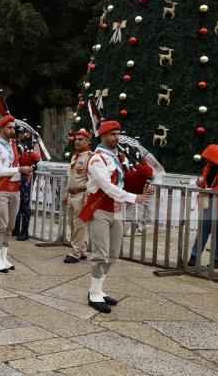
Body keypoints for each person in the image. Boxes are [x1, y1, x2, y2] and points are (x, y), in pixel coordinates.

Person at [83, 120, 152, 313]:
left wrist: (143, 185)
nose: (116, 138)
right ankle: (94, 294)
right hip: (100, 209)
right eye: (112, 134)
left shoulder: (117, 158)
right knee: (100, 253)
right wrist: (134, 197)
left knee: (113, 254)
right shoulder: (97, 159)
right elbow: (107, 187)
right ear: (103, 136)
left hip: (117, 209)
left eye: (117, 134)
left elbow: (124, 181)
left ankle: (99, 289)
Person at [0, 115, 33, 272]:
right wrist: (19, 169)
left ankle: (4, 257)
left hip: (15, 189)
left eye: (13, 127)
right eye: (9, 127)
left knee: (11, 226)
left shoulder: (15, 145)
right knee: (2, 225)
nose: (12, 130)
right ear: (1, 128)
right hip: (1, 189)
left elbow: (20, 163)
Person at [63, 129, 92, 263]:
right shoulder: (75, 157)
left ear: (88, 141)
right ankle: (82, 250)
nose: (77, 141)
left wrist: (87, 198)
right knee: (73, 224)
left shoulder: (91, 158)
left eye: (81, 139)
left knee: (79, 225)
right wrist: (65, 194)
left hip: (81, 195)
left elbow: (92, 180)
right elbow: (71, 177)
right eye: (76, 139)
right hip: (71, 195)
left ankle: (75, 253)